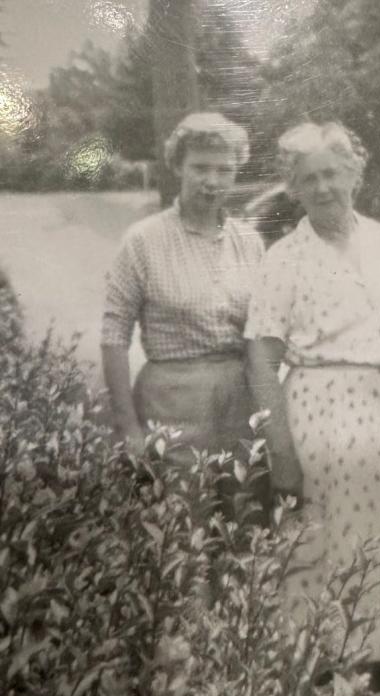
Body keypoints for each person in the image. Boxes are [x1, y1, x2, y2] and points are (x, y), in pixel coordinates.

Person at [244, 122, 380, 677]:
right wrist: (281, 455)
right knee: (323, 565)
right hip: (321, 428)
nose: (323, 187)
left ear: (355, 174)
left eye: (332, 173)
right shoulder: (284, 259)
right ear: (292, 189)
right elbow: (261, 357)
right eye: (308, 179)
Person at [101, 112, 263, 464]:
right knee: (181, 512)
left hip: (240, 405)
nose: (212, 181)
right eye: (200, 168)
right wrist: (127, 425)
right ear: (177, 166)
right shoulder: (142, 241)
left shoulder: (250, 242)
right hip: (170, 407)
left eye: (224, 170)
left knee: (244, 510)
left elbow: (262, 332)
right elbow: (114, 336)